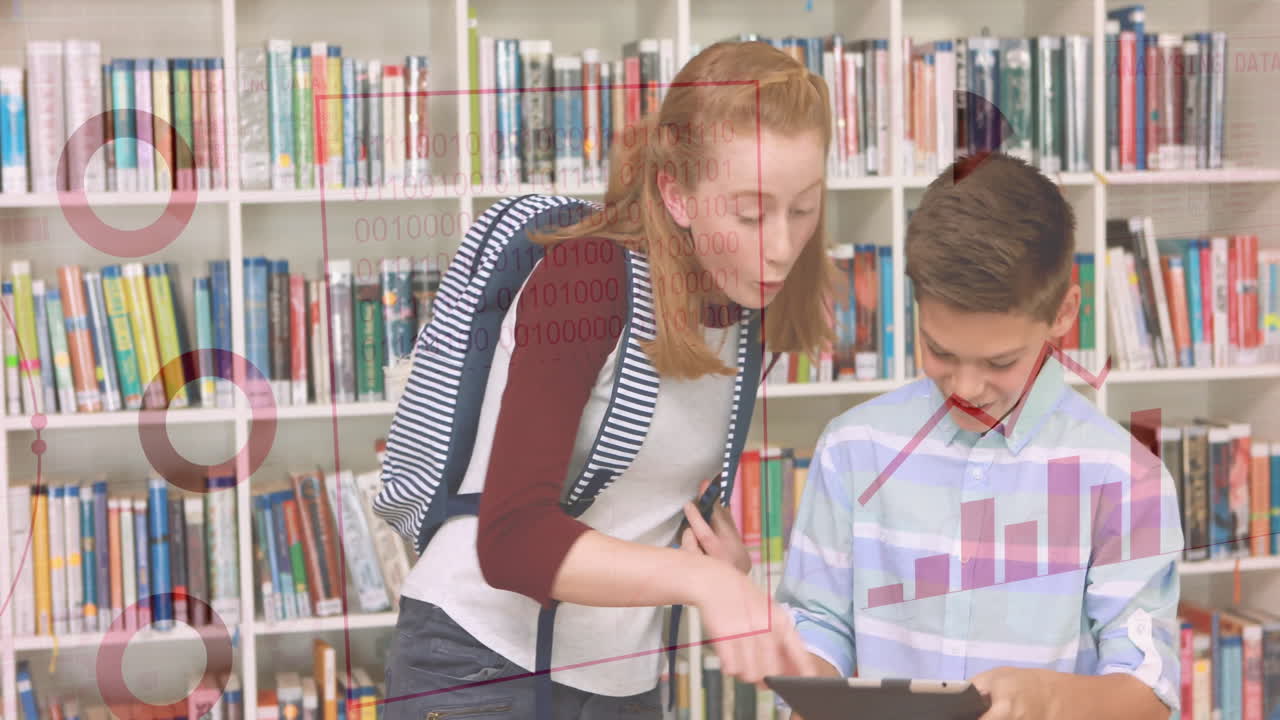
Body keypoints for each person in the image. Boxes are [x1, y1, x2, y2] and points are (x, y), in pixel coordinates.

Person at [383, 40, 833, 720]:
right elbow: (509, 541)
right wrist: (701, 583)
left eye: (804, 209)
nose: (780, 245)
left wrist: (719, 557)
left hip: (622, 681)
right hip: (477, 662)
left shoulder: (754, 309)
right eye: (750, 212)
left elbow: (643, 481)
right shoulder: (588, 278)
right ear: (676, 194)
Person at [777, 151, 1184, 720]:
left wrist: (1049, 699)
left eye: (1000, 360)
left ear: (1065, 313)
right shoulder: (853, 449)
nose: (966, 387)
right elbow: (817, 623)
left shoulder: (1123, 477)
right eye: (940, 351)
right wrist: (814, 688)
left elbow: (1149, 689)